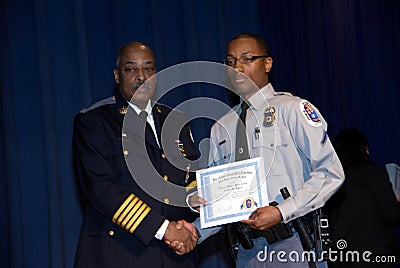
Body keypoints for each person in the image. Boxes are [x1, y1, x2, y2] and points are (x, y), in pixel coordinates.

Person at [177, 32, 345, 267]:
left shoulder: (292, 109)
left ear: (267, 64)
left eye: (247, 59)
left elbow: (330, 173)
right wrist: (193, 231)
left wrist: (282, 212)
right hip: (247, 252)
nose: (237, 68)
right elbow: (222, 201)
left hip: (294, 243)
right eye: (230, 62)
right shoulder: (221, 128)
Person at [72, 41, 199, 267]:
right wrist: (163, 229)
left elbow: (190, 179)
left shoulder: (176, 120)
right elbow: (100, 188)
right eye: (131, 69)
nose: (141, 77)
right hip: (121, 252)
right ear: (117, 75)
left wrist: (194, 215)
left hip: (176, 254)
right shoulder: (95, 121)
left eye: (148, 69)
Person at [324, 128, 400, 268]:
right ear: (364, 148)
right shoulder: (373, 173)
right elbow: (393, 215)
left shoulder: (330, 179)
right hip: (376, 256)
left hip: (342, 257)